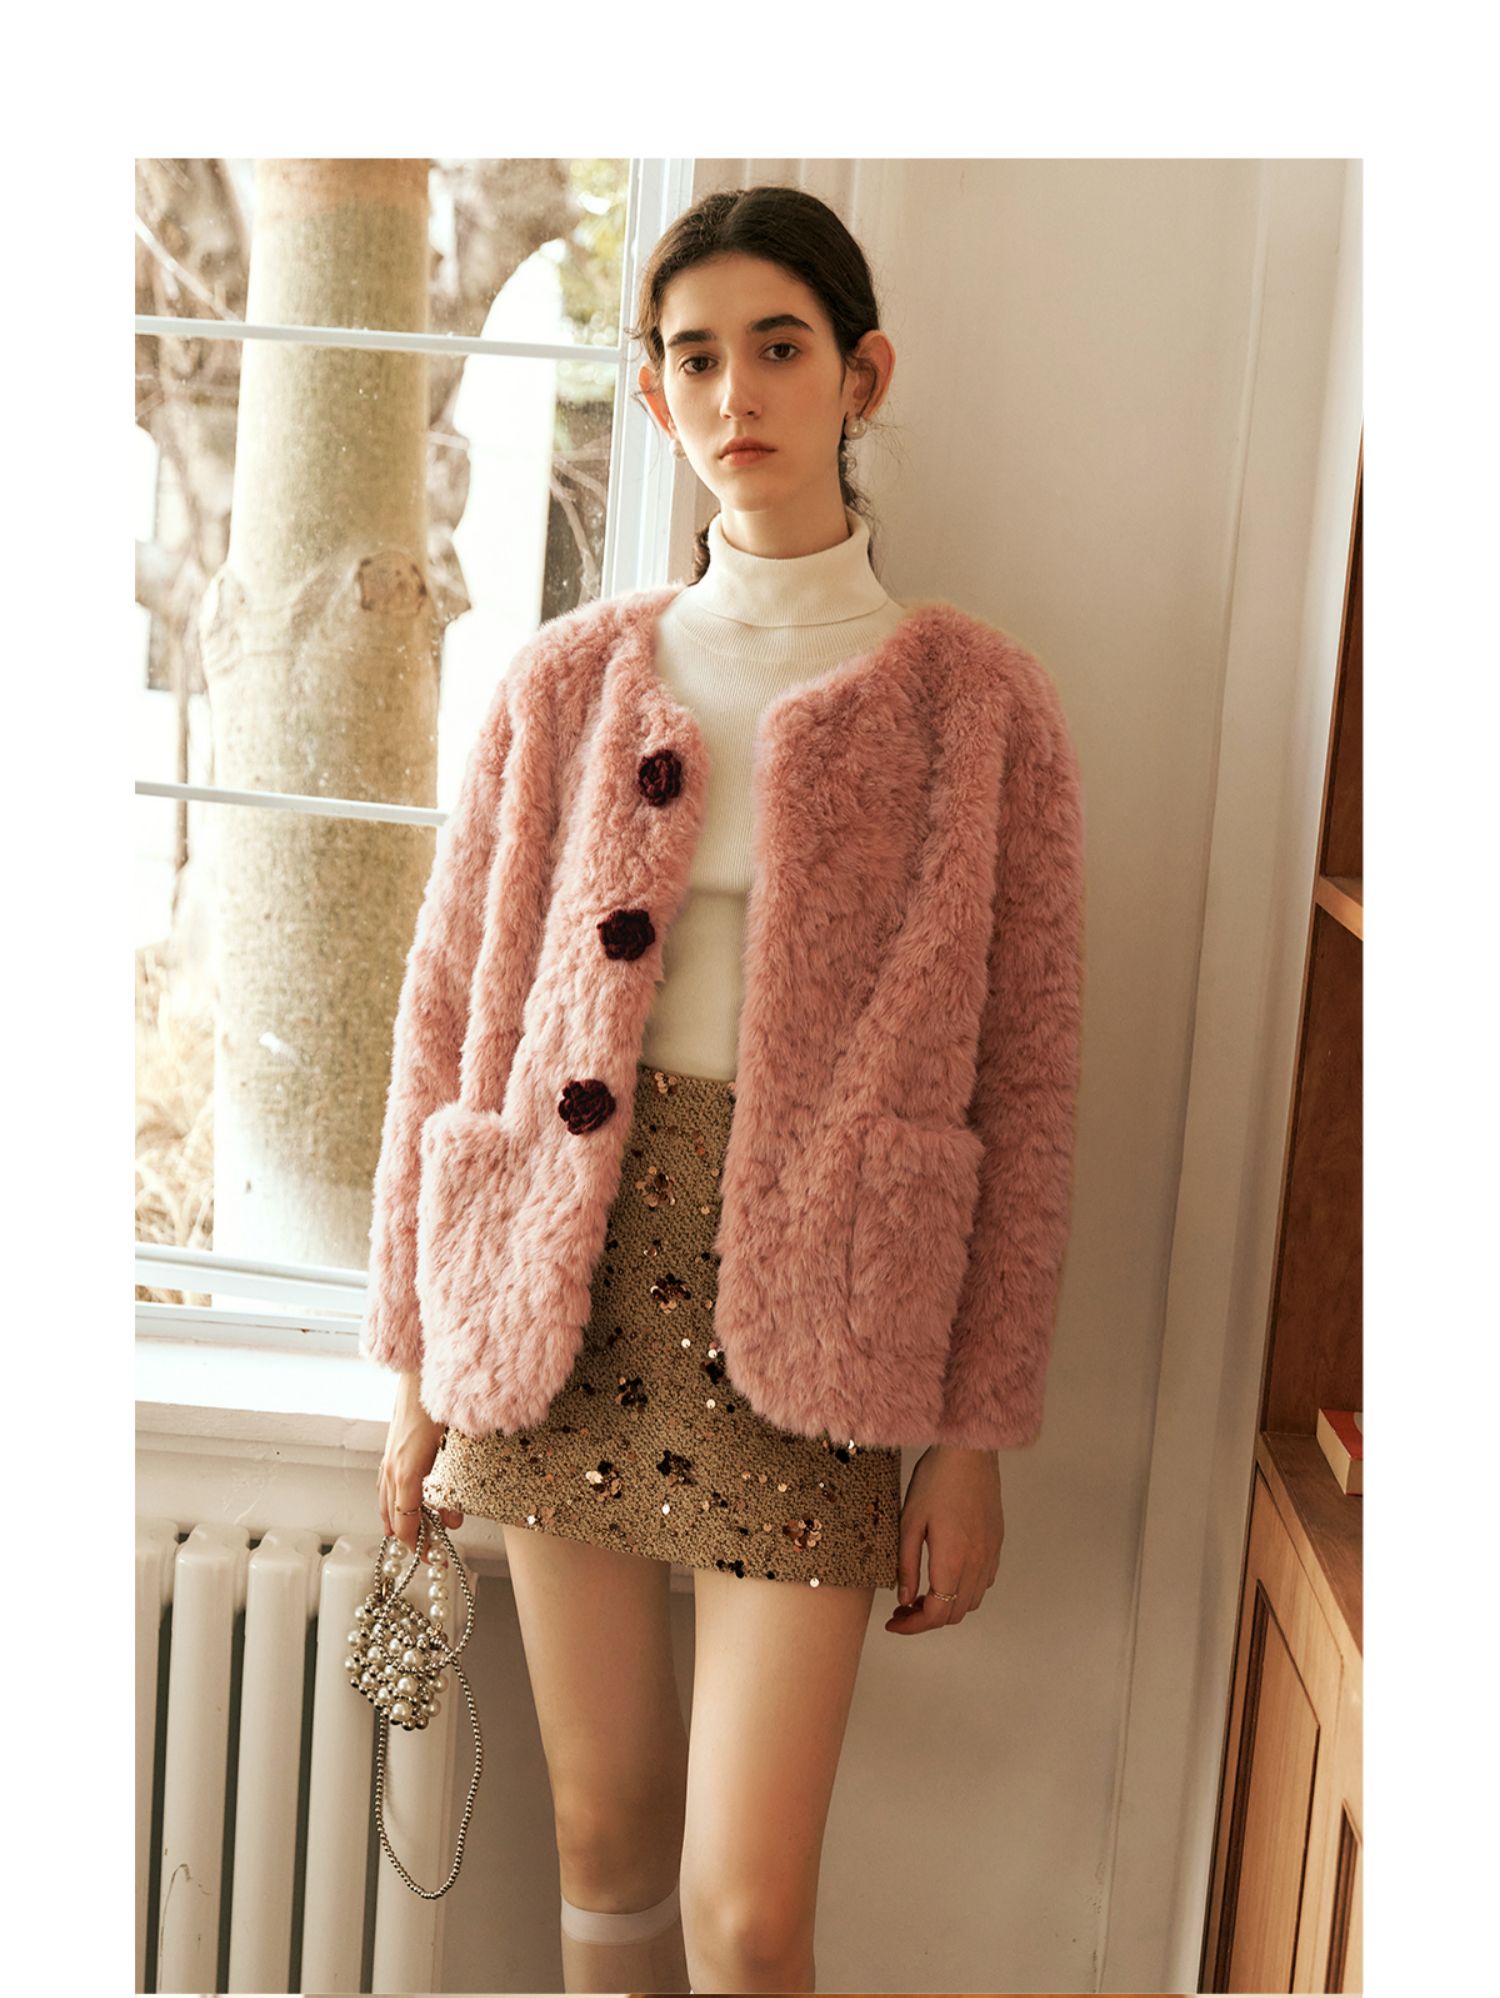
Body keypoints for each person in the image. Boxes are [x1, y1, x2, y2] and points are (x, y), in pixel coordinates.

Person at [363, 184, 1084, 1996]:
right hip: (563, 1283)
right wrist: (417, 1366)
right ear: (653, 390)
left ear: (863, 375)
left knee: (747, 1909)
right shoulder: (566, 684)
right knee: (602, 1832)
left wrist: (974, 1437)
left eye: (779, 347)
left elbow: (1029, 1083)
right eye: (695, 357)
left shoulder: (979, 709)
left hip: (826, 1310)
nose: (737, 392)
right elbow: (446, 1019)